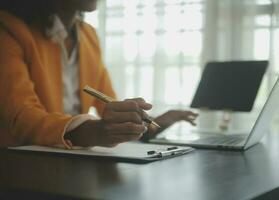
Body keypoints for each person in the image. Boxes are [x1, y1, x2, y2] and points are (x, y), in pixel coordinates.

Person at [0, 0, 198, 148]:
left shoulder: (88, 35)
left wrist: (148, 122)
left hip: (70, 163)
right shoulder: (8, 29)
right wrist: (96, 132)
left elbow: (109, 106)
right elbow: (23, 118)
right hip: (20, 166)